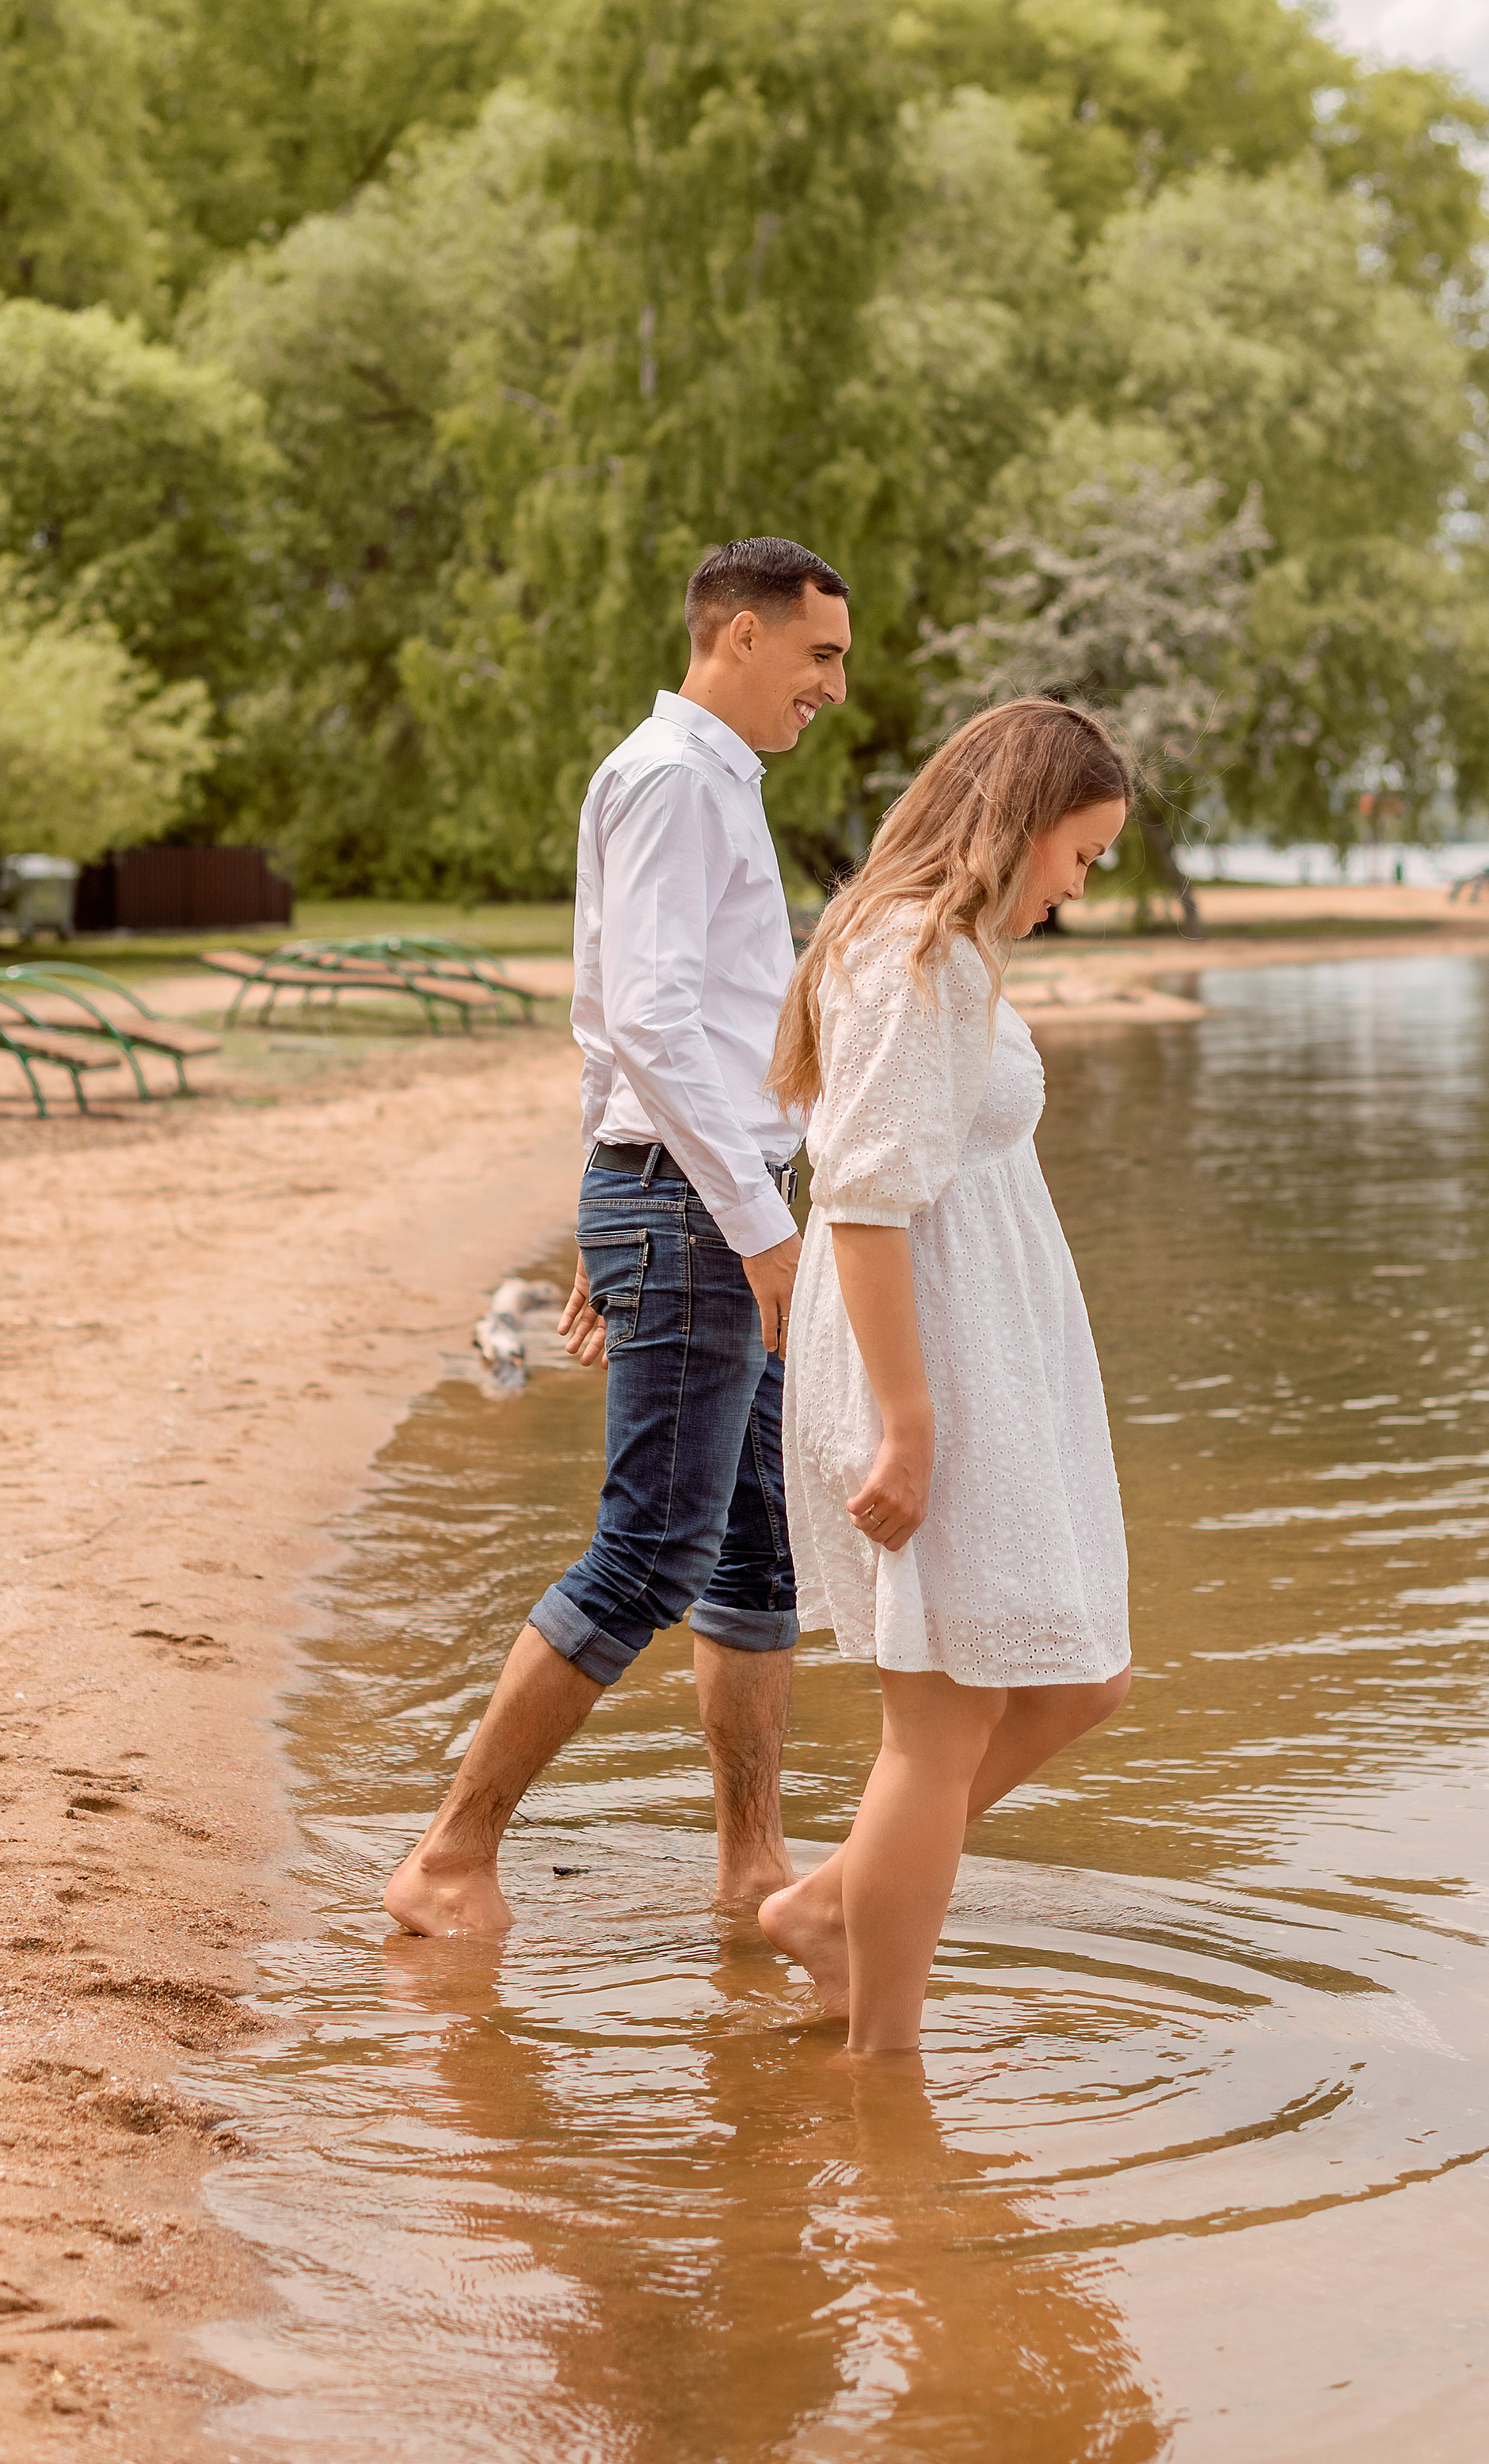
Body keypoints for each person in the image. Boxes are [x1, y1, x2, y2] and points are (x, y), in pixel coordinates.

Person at [384, 537, 853, 1937]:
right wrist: (756, 1229)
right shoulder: (671, 781)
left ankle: (751, 1865)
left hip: (684, 1194)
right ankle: (450, 1857)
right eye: (820, 654)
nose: (832, 685)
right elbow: (643, 1019)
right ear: (744, 634)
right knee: (650, 1551)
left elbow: (619, 1014)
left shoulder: (706, 780)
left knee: (755, 1549)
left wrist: (607, 1199)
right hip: (713, 1212)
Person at [756, 698, 1135, 2052]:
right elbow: (860, 1204)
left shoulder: (945, 948)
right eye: (1080, 859)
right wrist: (908, 1426)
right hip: (931, 1370)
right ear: (1024, 824)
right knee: (939, 1725)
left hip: (989, 1362)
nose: (1078, 891)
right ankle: (885, 2066)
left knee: (1082, 1677)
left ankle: (828, 1908)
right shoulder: (918, 955)